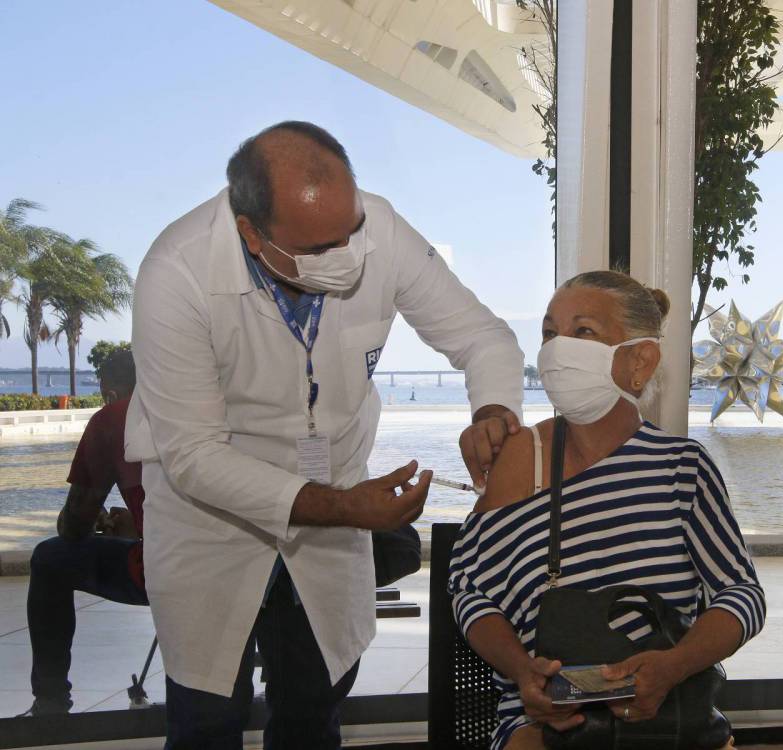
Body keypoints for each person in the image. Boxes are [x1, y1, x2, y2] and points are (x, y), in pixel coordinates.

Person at [126, 121, 524, 749]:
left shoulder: (381, 229)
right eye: (319, 248)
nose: (347, 254)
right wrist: (345, 508)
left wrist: (492, 412)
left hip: (331, 500)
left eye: (351, 230)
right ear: (251, 234)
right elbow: (195, 456)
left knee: (313, 710)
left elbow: (482, 336)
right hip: (210, 522)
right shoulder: (176, 271)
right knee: (207, 718)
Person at [448, 271, 765, 750]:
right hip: (545, 726)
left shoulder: (681, 468)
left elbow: (742, 594)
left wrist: (673, 667)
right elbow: (470, 588)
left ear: (640, 360)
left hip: (666, 722)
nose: (558, 349)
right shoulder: (522, 458)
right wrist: (523, 671)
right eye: (550, 333)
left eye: (583, 332)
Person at [22, 349, 146, 716]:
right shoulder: (193, 408)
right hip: (232, 564)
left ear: (111, 391)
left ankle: (51, 701)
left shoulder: (112, 419)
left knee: (49, 560)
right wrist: (137, 524)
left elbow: (75, 526)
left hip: (161, 569)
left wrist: (92, 521)